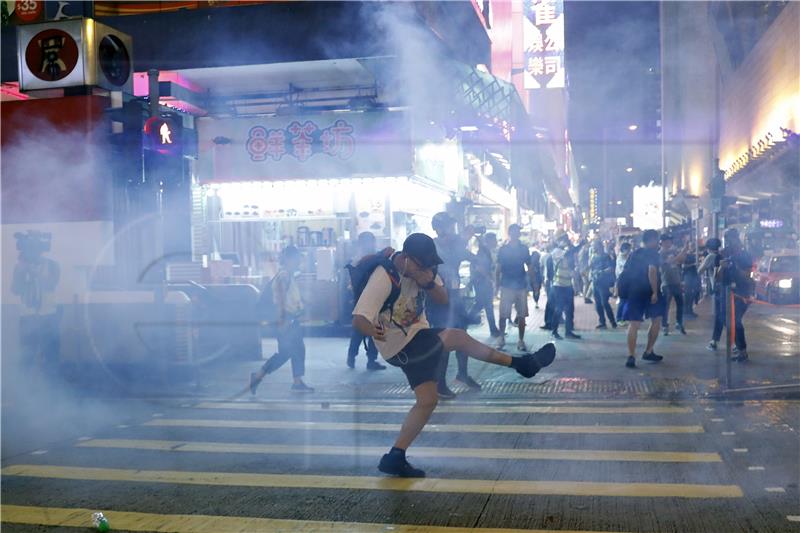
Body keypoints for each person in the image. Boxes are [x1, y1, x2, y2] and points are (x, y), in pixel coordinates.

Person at [352, 233, 557, 478]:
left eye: (430, 265)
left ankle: (395, 456)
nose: (428, 268)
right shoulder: (384, 276)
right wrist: (371, 329)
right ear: (406, 258)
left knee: (427, 401)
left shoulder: (423, 270)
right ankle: (523, 364)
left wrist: (426, 281)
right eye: (422, 264)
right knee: (457, 337)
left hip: (417, 339)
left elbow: (442, 299)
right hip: (399, 346)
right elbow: (359, 318)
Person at [250, 245, 314, 393]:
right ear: (289, 259)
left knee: (298, 349)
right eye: (297, 258)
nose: (299, 262)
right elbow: (279, 299)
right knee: (286, 352)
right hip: (286, 319)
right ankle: (258, 376)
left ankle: (297, 382)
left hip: (291, 319)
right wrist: (282, 320)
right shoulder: (284, 276)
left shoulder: (288, 275)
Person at [429, 212, 479, 397]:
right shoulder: (431, 247)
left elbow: (471, 257)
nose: (452, 231)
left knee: (462, 336)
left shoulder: (455, 246)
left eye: (452, 227)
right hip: (439, 298)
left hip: (455, 297)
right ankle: (439, 384)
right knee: (445, 340)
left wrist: (479, 260)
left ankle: (463, 373)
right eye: (449, 227)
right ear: (438, 228)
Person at [621, 230, 665, 368]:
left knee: (633, 324)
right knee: (656, 319)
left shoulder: (634, 253)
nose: (658, 242)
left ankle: (631, 355)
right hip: (648, 290)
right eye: (657, 240)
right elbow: (652, 271)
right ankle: (648, 350)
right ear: (652, 240)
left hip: (634, 291)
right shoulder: (653, 254)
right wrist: (654, 292)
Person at [345, 232, 387, 371]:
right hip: (362, 298)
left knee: (375, 329)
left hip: (374, 297)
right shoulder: (358, 260)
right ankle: (352, 356)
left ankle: (371, 360)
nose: (371, 244)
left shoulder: (373, 257)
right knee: (359, 329)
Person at [715, 229, 754, 362]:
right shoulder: (722, 254)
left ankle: (742, 350)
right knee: (726, 321)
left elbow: (747, 275)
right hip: (726, 292)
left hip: (742, 292)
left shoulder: (745, 255)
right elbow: (717, 278)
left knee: (735, 321)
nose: (730, 242)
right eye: (727, 239)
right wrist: (721, 267)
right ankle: (738, 346)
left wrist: (736, 266)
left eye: (731, 238)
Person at [495, 224, 535, 351]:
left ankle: (520, 340)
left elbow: (529, 267)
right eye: (514, 232)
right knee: (503, 314)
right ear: (510, 233)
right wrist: (497, 285)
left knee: (521, 315)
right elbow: (498, 269)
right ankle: (501, 338)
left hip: (519, 285)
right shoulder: (503, 250)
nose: (516, 234)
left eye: (518, 232)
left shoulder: (523, 249)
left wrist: (534, 283)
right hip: (507, 285)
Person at [550, 233, 583, 340]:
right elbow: (568, 253)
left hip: (568, 285)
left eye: (566, 240)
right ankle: (554, 331)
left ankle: (568, 332)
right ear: (559, 241)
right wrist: (579, 245)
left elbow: (570, 258)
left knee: (570, 310)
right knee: (559, 309)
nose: (565, 242)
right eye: (563, 240)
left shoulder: (566, 252)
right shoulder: (556, 252)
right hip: (559, 285)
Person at [468, 232, 500, 337]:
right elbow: (479, 267)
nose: (496, 242)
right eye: (494, 240)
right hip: (482, 282)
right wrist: (488, 278)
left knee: (485, 305)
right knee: (482, 304)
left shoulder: (484, 250)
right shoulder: (483, 251)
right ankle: (464, 321)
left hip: (481, 281)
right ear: (489, 241)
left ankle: (493, 329)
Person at [659, 234, 689, 336]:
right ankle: (664, 325)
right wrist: (684, 250)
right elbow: (672, 260)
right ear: (662, 242)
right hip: (666, 283)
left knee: (680, 304)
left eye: (670, 241)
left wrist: (684, 251)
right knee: (665, 306)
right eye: (667, 241)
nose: (669, 242)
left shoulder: (673, 251)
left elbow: (681, 260)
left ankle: (679, 323)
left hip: (676, 282)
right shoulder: (660, 253)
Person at [698, 237, 723, 351]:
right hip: (728, 290)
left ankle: (714, 342)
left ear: (708, 248)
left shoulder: (710, 257)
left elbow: (699, 271)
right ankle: (736, 344)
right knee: (726, 317)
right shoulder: (722, 255)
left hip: (719, 290)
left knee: (720, 317)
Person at [590, 239, 617, 329]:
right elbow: (592, 269)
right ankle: (602, 321)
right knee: (598, 303)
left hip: (603, 283)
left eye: (594, 245)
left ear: (598, 246)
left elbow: (610, 268)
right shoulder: (593, 257)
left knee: (604, 302)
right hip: (595, 282)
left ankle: (612, 321)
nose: (593, 247)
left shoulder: (605, 256)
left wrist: (601, 272)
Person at [615, 241, 632, 326]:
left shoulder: (626, 257)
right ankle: (619, 318)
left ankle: (625, 317)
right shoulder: (621, 258)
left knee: (627, 300)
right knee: (623, 300)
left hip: (627, 281)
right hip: (622, 281)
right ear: (624, 249)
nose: (630, 251)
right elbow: (624, 268)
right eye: (629, 250)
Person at [682, 248, 701, 319]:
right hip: (688, 277)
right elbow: (683, 266)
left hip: (692, 276)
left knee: (691, 296)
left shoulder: (690, 256)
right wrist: (693, 264)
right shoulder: (684, 257)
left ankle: (690, 311)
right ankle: (686, 312)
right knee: (688, 296)